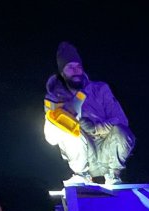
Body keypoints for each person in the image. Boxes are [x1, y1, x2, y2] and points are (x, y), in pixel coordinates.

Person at [44, 41, 134, 187]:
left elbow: (121, 120)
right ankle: (81, 175)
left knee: (122, 131)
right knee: (70, 133)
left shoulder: (100, 89)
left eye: (78, 66)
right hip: (82, 155)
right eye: (70, 67)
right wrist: (61, 122)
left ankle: (114, 176)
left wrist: (96, 127)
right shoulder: (54, 98)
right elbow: (51, 139)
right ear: (62, 72)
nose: (76, 70)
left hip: (107, 150)